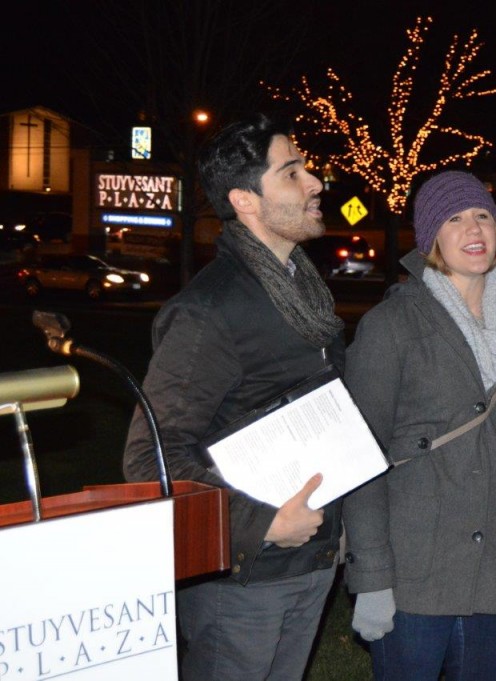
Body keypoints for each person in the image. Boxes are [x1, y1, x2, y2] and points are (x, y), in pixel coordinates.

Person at [122, 113, 346, 680]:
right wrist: (262, 524)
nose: (315, 182)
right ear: (245, 201)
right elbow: (152, 459)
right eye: (292, 172)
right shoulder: (209, 310)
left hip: (311, 561)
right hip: (244, 580)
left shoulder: (305, 292)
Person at [340, 170, 496, 680]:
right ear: (431, 238)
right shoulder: (392, 326)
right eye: (455, 218)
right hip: (415, 573)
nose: (474, 229)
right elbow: (357, 457)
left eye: (483, 216)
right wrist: (372, 577)